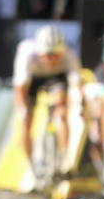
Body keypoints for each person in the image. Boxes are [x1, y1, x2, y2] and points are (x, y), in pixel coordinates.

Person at [12, 25, 84, 171]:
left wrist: (80, 105)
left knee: (62, 114)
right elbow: (20, 90)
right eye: (47, 56)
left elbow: (77, 85)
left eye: (56, 55)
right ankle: (30, 164)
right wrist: (23, 111)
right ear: (39, 53)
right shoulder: (27, 53)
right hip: (33, 79)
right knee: (25, 120)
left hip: (57, 78)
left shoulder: (69, 55)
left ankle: (64, 158)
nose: (51, 60)